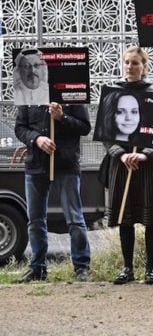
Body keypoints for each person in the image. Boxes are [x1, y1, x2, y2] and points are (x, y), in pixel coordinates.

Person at [106, 46, 153, 285]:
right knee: (125, 216)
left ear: (144, 66)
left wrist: (146, 154)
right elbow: (105, 133)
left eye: (135, 63)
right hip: (122, 165)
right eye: (127, 62)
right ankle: (127, 267)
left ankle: (150, 269)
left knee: (151, 217)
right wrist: (120, 154)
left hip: (148, 166)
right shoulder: (113, 94)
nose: (130, 67)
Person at [14, 101, 92, 282]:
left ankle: (82, 267)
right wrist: (36, 139)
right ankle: (38, 267)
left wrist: (62, 117)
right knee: (35, 221)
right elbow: (20, 128)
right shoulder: (30, 92)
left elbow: (85, 127)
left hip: (66, 164)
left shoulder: (71, 91)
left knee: (74, 218)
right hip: (36, 165)